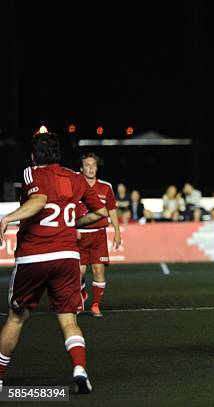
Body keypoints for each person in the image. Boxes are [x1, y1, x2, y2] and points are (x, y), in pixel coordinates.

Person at [0, 129, 108, 393]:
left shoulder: (32, 173)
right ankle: (80, 371)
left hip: (36, 255)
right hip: (67, 257)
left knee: (16, 317)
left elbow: (39, 200)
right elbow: (101, 213)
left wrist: (8, 218)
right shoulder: (76, 177)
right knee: (68, 319)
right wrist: (72, 223)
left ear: (34, 154)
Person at [76, 153, 122, 317]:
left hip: (98, 236)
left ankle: (95, 305)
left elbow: (112, 209)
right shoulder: (74, 186)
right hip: (79, 236)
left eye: (93, 165)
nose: (90, 168)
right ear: (81, 169)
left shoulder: (105, 187)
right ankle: (81, 294)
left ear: (96, 167)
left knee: (98, 272)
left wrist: (117, 232)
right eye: (87, 165)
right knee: (77, 273)